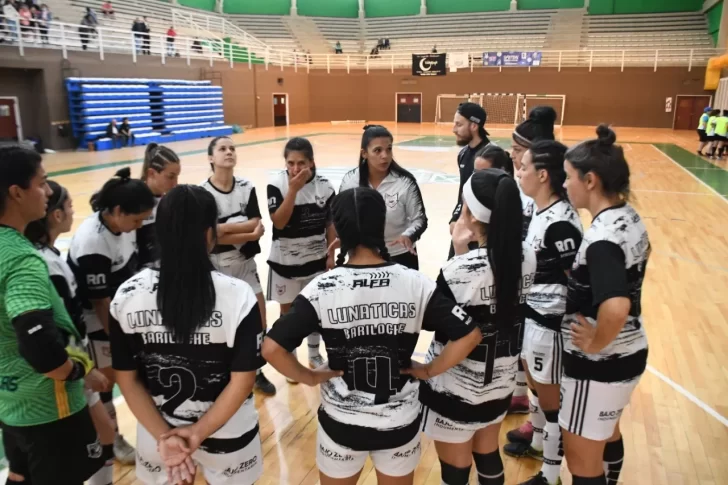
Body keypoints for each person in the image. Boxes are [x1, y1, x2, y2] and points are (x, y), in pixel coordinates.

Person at [262, 187, 482, 485]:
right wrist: (429, 370)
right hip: (399, 423)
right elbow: (470, 334)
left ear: (339, 231)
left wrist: (310, 377)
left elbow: (272, 348)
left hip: (342, 424)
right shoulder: (416, 283)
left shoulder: (322, 288)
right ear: (380, 225)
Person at [110, 185, 265, 485]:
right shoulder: (238, 295)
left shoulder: (126, 295)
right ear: (210, 233)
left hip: (158, 440)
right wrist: (196, 433)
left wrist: (166, 437)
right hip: (229, 435)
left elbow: (126, 379)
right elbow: (243, 379)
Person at [420, 169, 537, 485]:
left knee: (455, 467)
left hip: (456, 388)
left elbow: (436, 321)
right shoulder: (528, 255)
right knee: (487, 451)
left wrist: (458, 255)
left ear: (469, 213)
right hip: (501, 381)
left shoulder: (457, 270)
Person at [0, 146, 106, 485]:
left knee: (20, 474)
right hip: (50, 407)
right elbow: (37, 341)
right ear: (16, 193)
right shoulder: (21, 259)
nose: (48, 192)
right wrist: (74, 370)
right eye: (42, 183)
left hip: (10, 401)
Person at [560, 125, 650, 485]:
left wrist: (596, 343)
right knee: (606, 431)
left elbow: (615, 306)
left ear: (591, 180)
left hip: (599, 365)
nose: (565, 185)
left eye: (569, 177)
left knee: (582, 461)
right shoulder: (629, 217)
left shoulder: (601, 239)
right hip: (630, 352)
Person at [24, 180, 117, 485]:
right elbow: (55, 331)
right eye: (67, 205)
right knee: (95, 442)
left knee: (103, 437)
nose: (73, 208)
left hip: (74, 364)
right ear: (56, 216)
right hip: (64, 374)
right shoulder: (44, 264)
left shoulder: (48, 254)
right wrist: (82, 371)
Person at [503, 141, 584, 485]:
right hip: (533, 317)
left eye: (523, 167)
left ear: (543, 174)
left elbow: (577, 283)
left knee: (552, 404)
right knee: (536, 389)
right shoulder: (538, 210)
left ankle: (550, 475)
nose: (518, 172)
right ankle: (537, 442)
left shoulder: (562, 224)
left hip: (550, 326)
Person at [68, 167, 155, 465]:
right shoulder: (93, 242)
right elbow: (101, 303)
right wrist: (122, 341)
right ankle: (112, 439)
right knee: (107, 382)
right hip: (97, 323)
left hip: (122, 313)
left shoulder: (121, 226)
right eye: (135, 219)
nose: (138, 226)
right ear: (117, 211)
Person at [201, 136, 276, 395]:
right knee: (224, 321)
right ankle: (225, 374)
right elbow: (210, 236)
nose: (229, 152)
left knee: (259, 318)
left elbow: (256, 222)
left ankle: (256, 371)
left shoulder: (246, 186)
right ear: (211, 158)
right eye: (222, 149)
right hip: (217, 266)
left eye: (232, 148)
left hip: (245, 264)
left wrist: (224, 228)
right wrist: (245, 232)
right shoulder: (203, 193)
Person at [506, 105, 558, 419]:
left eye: (516, 149)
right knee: (523, 348)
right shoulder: (525, 186)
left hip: (543, 297)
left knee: (540, 365)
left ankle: (541, 429)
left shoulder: (547, 199)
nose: (511, 155)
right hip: (526, 283)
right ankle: (523, 398)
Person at [267, 137, 335, 370]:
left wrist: (331, 254)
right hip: (284, 262)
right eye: (290, 163)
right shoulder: (276, 184)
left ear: (312, 162)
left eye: (301, 163)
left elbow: (330, 225)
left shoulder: (325, 186)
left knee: (315, 310)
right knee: (287, 313)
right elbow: (279, 222)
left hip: (315, 261)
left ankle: (314, 354)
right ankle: (290, 359)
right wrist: (293, 191)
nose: (295, 169)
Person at [338, 125, 428, 270]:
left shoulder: (405, 182)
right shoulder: (350, 181)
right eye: (378, 150)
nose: (385, 155)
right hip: (362, 257)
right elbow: (341, 216)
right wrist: (342, 238)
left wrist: (408, 236)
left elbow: (420, 219)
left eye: (389, 149)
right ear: (364, 153)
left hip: (400, 255)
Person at [449, 102, 491, 259]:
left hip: (481, 233)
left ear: (474, 126)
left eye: (459, 124)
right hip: (464, 226)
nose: (454, 129)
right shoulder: (463, 154)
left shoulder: (492, 156)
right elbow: (463, 193)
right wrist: (455, 218)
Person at [138, 143, 181, 268]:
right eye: (170, 177)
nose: (175, 183)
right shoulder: (134, 202)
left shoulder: (170, 201)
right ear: (151, 173)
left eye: (177, 177)